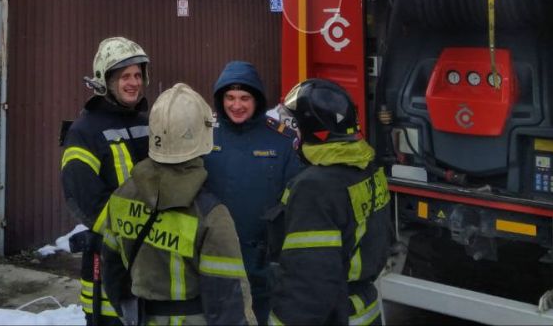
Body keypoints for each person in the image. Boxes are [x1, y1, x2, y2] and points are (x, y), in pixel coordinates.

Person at [101, 83, 256, 326]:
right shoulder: (211, 214)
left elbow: (112, 274)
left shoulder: (122, 195)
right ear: (203, 134)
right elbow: (227, 298)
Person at [266, 78, 392, 326]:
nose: (295, 131)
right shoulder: (368, 168)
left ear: (312, 129)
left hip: (332, 314)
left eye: (297, 125)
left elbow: (308, 280)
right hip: (363, 308)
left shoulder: (314, 188)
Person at [61, 37, 152, 325]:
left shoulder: (146, 122)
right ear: (105, 81)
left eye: (138, 75)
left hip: (150, 261)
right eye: (125, 76)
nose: (133, 83)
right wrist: (137, 231)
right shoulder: (84, 131)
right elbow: (86, 200)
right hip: (109, 266)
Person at [203, 61, 301, 325]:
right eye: (230, 98)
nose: (236, 106)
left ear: (257, 99)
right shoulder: (204, 137)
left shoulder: (282, 139)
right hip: (214, 258)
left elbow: (296, 197)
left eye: (244, 98)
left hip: (263, 262)